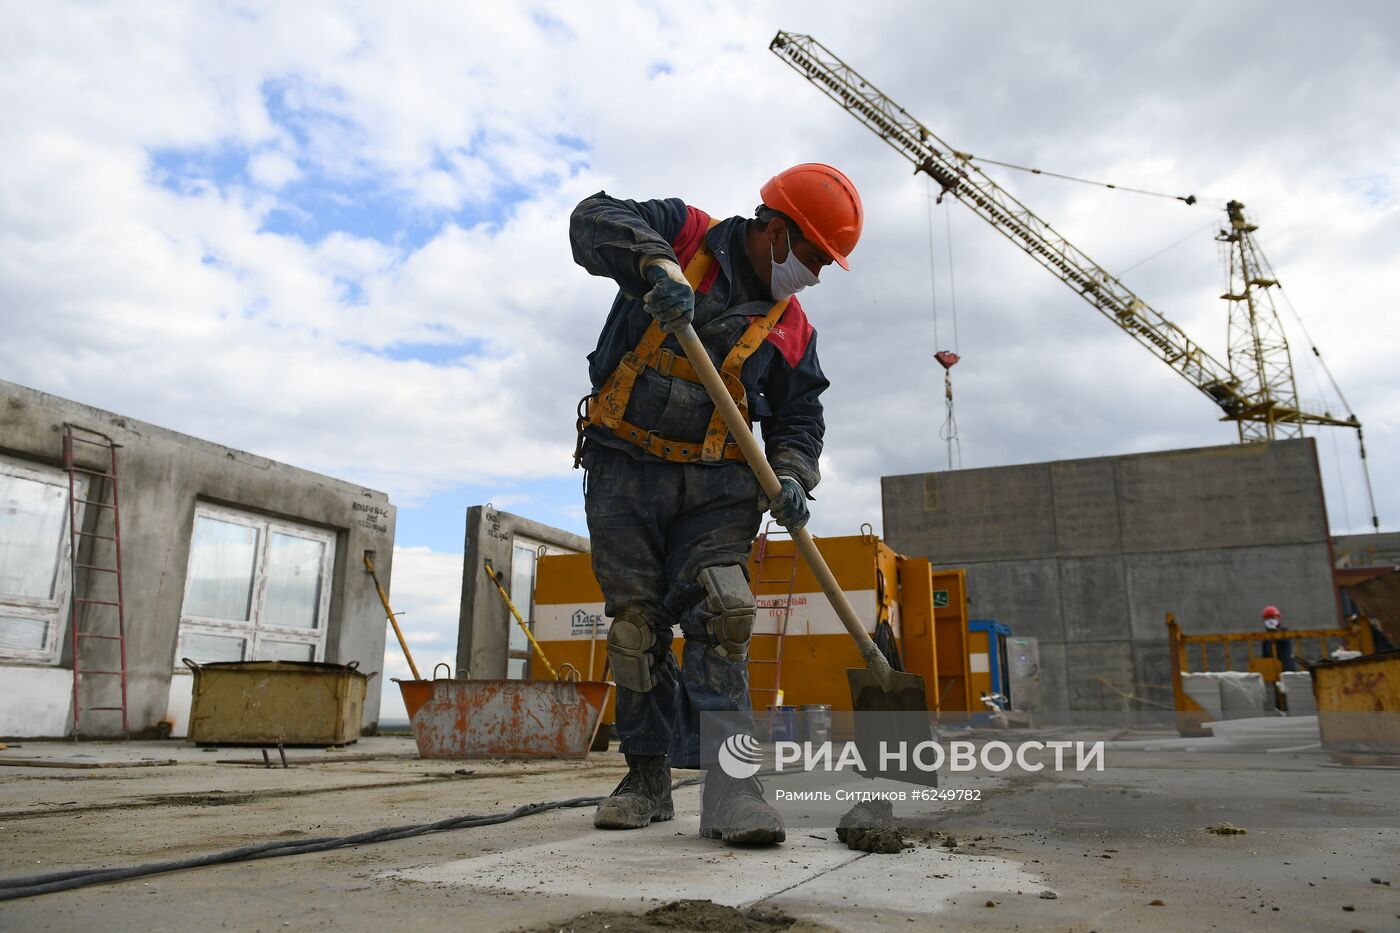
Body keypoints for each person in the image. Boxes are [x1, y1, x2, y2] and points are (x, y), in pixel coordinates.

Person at [568, 164, 863, 846]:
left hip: (718, 484)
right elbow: (590, 219)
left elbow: (800, 418)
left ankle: (734, 791)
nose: (814, 274)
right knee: (636, 630)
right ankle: (645, 779)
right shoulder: (683, 231)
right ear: (777, 231)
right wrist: (654, 265)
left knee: (724, 614)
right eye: (813, 256)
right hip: (624, 466)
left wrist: (791, 472)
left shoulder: (792, 331)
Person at [1258, 605, 1297, 673]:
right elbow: (1265, 655)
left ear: (1278, 618)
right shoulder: (1266, 636)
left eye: (1273, 618)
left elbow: (1283, 639)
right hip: (1273, 669)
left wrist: (1274, 631)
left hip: (1286, 668)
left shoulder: (1284, 631)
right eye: (1267, 618)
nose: (1270, 620)